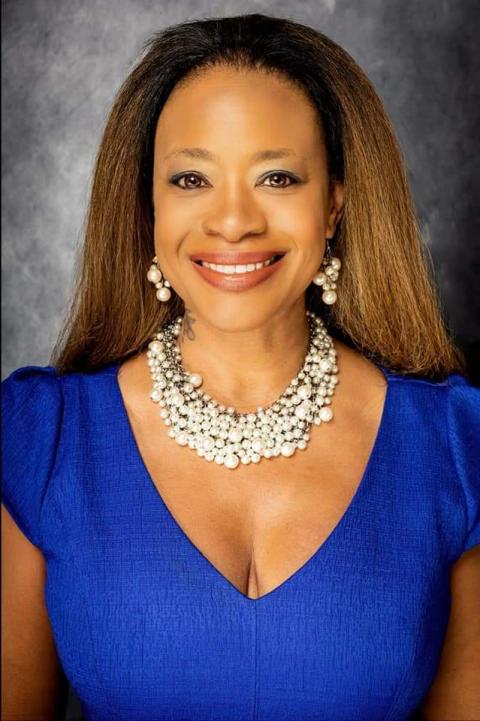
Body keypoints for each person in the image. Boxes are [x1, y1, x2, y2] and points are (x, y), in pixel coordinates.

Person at [2, 12, 479, 721]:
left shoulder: (456, 446)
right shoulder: (42, 437)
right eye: (191, 178)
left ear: (333, 205)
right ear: (149, 206)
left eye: (277, 176)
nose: (233, 221)